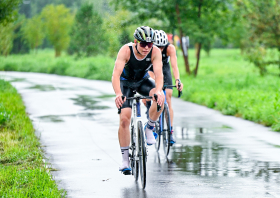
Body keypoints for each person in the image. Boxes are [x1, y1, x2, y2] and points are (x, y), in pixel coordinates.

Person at [112, 26, 165, 174]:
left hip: (143, 81)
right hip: (125, 83)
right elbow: (115, 75)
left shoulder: (155, 52)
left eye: (150, 44)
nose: (146, 48)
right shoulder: (126, 50)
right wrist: (118, 93)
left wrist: (159, 91)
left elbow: (159, 75)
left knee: (161, 99)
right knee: (125, 119)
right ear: (136, 41)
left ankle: (149, 128)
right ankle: (125, 160)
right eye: (143, 44)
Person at [145, 30, 183, 146]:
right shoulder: (149, 48)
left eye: (162, 47)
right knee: (152, 93)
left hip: (164, 69)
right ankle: (151, 114)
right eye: (158, 47)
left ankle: (170, 131)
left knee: (169, 99)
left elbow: (174, 66)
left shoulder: (170, 48)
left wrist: (177, 80)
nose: (160, 49)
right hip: (152, 69)